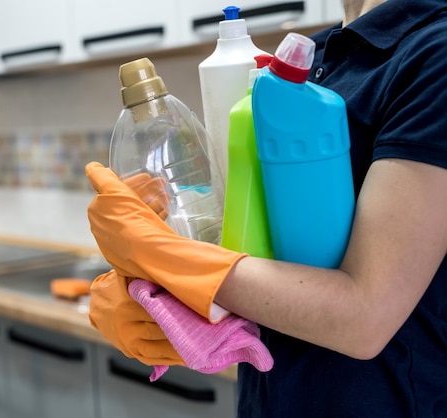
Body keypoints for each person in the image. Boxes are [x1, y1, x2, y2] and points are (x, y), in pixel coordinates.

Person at [84, 0, 447, 416]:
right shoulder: (309, 59)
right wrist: (147, 292)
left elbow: (365, 317)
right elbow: (261, 266)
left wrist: (154, 252)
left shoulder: (434, 56)